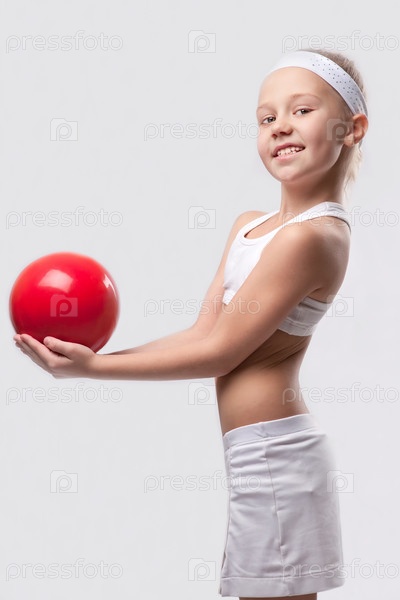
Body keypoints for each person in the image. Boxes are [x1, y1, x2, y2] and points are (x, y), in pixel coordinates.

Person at [13, 48, 368, 599]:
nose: (280, 126)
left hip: (277, 456)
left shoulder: (314, 238)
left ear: (352, 129)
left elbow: (222, 353)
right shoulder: (251, 226)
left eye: (302, 110)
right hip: (255, 453)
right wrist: (96, 359)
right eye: (266, 117)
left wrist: (92, 372)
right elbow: (203, 333)